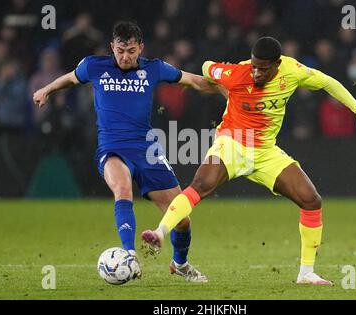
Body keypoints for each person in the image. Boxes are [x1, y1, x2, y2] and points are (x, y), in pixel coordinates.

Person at [142, 37, 356, 285]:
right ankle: (160, 233)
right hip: (233, 142)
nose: (256, 72)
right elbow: (207, 67)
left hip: (265, 151)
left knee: (311, 200)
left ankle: (306, 273)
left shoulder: (291, 70)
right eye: (254, 66)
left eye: (263, 68)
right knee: (201, 185)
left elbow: (328, 82)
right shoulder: (237, 73)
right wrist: (221, 71)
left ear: (277, 64)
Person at [33, 21, 220, 283]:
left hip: (146, 150)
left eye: (131, 50)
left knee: (182, 219)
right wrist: (47, 89)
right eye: (120, 50)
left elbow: (194, 81)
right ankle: (130, 254)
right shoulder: (94, 66)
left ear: (140, 48)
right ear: (112, 46)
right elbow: (71, 78)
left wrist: (230, 87)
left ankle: (180, 264)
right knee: (122, 190)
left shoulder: (154, 68)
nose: (125, 56)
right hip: (112, 148)